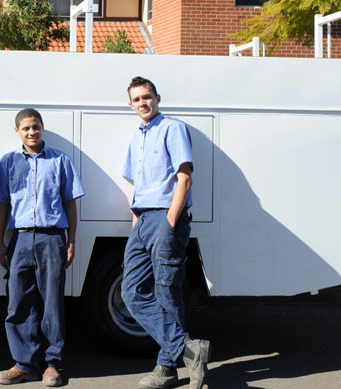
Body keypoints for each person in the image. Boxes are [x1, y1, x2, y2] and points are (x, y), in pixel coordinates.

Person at [120, 76, 210, 389]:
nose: (143, 103)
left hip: (165, 217)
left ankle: (166, 368)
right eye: (137, 99)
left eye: (147, 97)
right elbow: (137, 185)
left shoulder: (173, 128)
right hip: (142, 220)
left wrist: (170, 222)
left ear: (158, 98)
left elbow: (184, 178)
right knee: (131, 292)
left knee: (166, 290)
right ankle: (189, 349)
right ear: (130, 105)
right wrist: (136, 223)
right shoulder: (136, 136)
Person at [0, 109, 84, 387]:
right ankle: (25, 364)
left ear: (43, 129)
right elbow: (1, 204)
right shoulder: (8, 163)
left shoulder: (60, 161)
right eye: (26, 128)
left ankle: (52, 364)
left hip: (51, 238)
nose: (32, 132)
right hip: (19, 240)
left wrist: (72, 239)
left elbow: (70, 202)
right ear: (17, 132)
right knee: (18, 302)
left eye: (36, 127)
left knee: (51, 302)